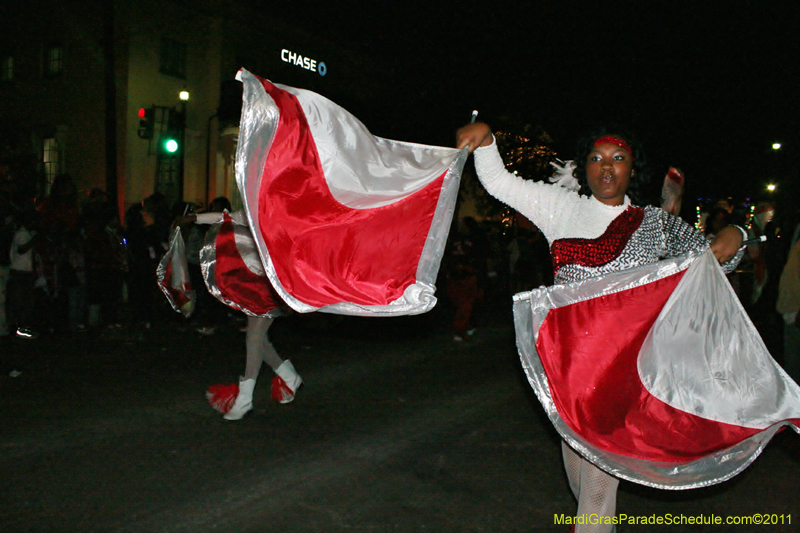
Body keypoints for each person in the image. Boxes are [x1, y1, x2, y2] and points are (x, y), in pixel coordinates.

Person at [456, 122, 745, 532]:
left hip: (622, 376)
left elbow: (717, 257)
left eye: (618, 159)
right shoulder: (560, 207)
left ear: (632, 169)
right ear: (584, 167)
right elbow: (500, 181)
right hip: (569, 371)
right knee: (583, 487)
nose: (606, 167)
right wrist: (486, 141)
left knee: (594, 491)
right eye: (596, 158)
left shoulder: (654, 223)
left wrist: (738, 232)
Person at [179, 209, 303, 421]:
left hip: (275, 285)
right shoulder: (254, 207)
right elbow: (226, 217)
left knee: (254, 337)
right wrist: (194, 218)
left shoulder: (283, 213)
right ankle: (290, 376)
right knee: (259, 341)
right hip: (255, 284)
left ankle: (245, 398)